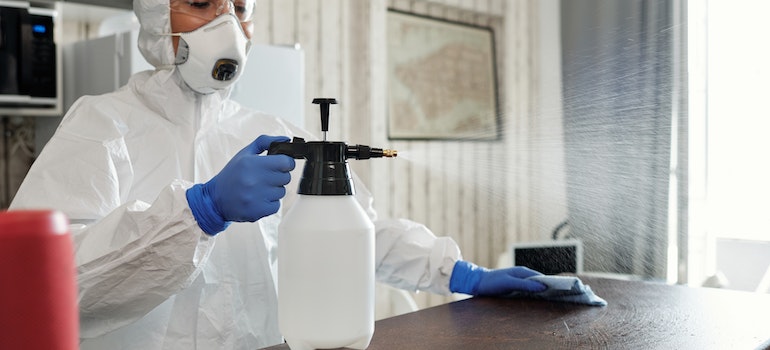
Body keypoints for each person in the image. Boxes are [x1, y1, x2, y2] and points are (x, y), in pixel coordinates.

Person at [10, 0, 547, 349]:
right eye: (200, 3)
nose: (227, 24)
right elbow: (41, 282)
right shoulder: (101, 126)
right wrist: (198, 211)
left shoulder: (270, 132)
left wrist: (461, 275)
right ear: (155, 17)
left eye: (240, 8)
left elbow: (354, 231)